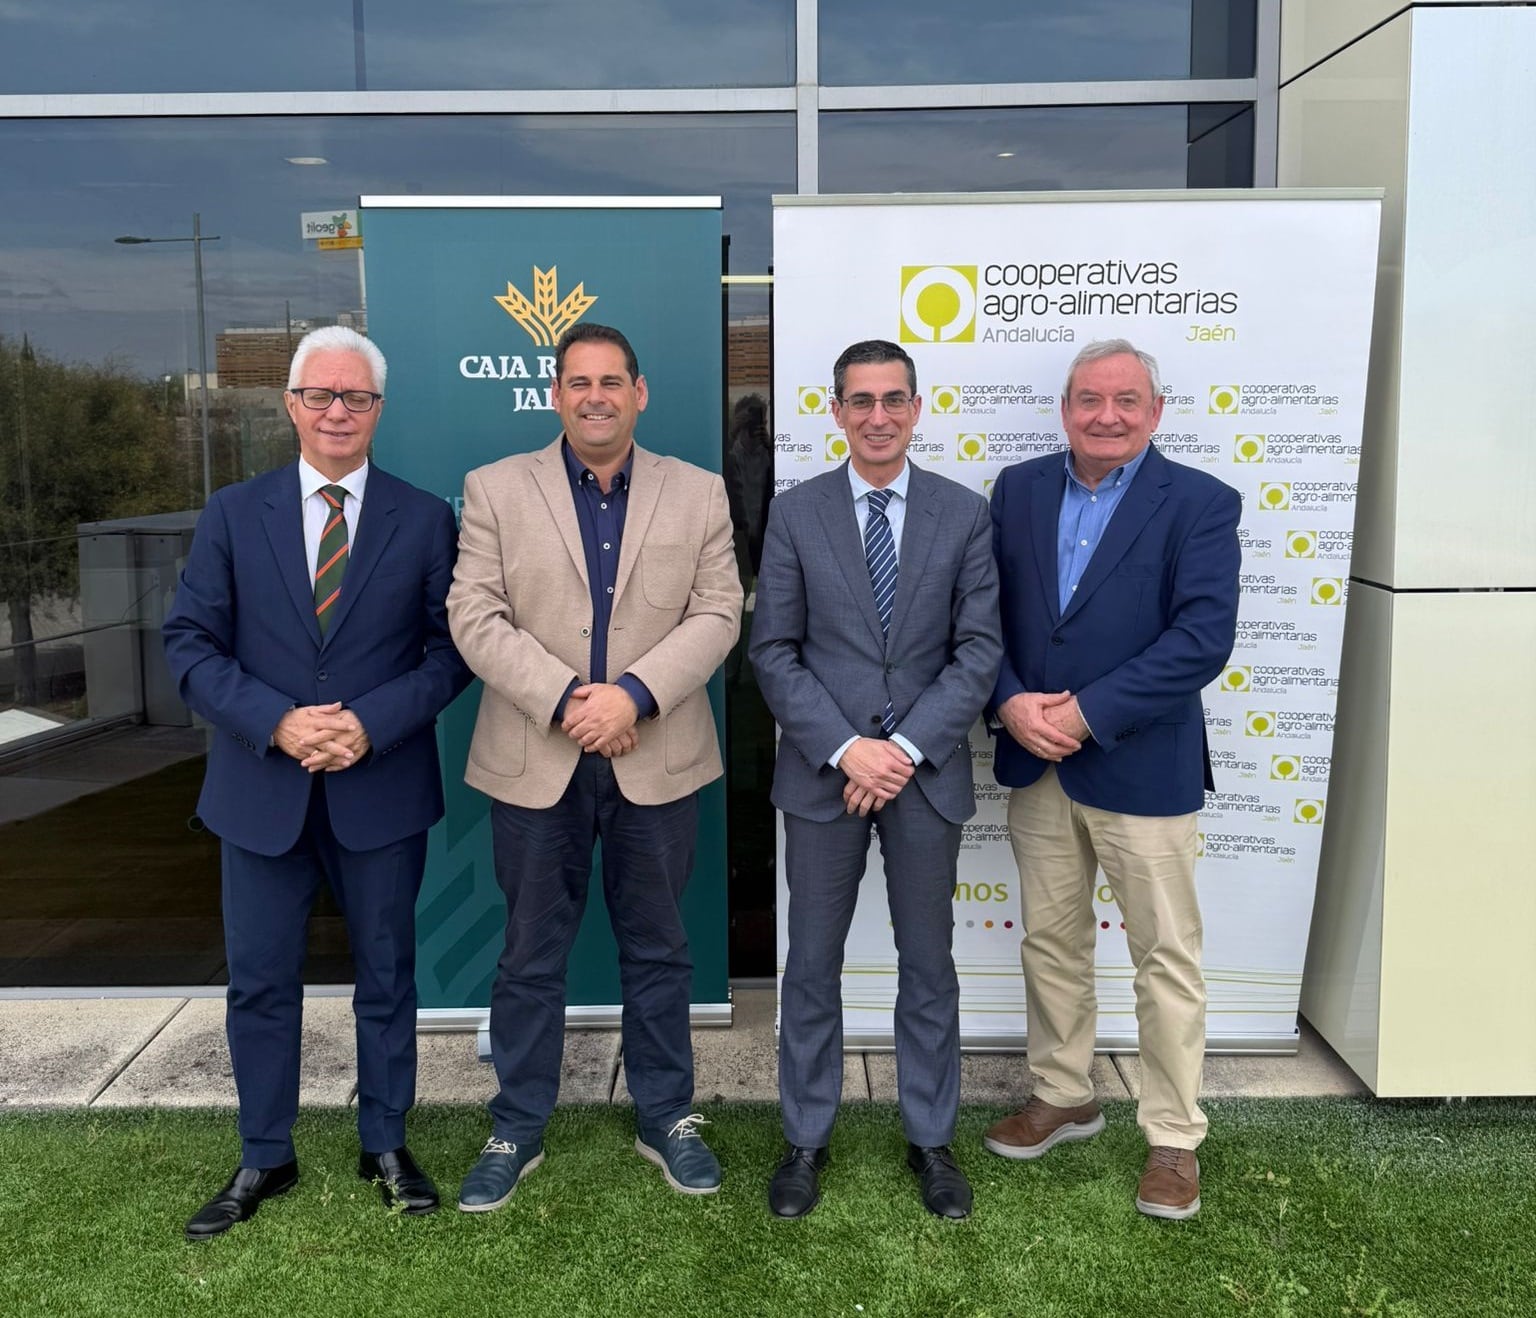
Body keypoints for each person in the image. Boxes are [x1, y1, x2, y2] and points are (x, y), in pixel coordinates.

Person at [163, 325, 471, 1240]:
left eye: (358, 398)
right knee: (260, 981)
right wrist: (278, 721)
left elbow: (449, 651)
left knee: (387, 975)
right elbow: (189, 644)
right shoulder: (231, 513)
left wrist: (368, 725)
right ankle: (266, 1153)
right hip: (262, 790)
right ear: (291, 404)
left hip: (379, 786)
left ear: (379, 410)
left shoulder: (423, 519)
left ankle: (386, 1141)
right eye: (321, 396)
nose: (338, 411)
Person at [447, 322, 742, 1210]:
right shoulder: (496, 489)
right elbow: (474, 615)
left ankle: (667, 1117)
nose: (596, 396)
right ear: (555, 395)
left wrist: (635, 697)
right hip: (537, 755)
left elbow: (720, 613)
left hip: (659, 757)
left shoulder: (699, 494)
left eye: (612, 381)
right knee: (530, 955)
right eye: (578, 382)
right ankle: (515, 1125)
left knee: (659, 950)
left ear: (639, 393)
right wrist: (576, 697)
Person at [983, 338, 1241, 1221]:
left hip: (1141, 762)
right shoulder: (1017, 490)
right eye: (1090, 399)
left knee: (1164, 957)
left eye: (1127, 401)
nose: (1107, 416)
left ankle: (1173, 1137)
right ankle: (1064, 1092)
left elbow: (1200, 640)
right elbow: (988, 615)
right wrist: (1014, 702)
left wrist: (1084, 712)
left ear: (1156, 411)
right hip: (1035, 760)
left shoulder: (1201, 504)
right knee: (1051, 942)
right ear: (1065, 408)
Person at [750, 339, 1000, 1221]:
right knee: (811, 966)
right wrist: (848, 749)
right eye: (861, 401)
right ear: (837, 411)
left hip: (923, 780)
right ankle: (805, 1138)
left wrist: (901, 750)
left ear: (917, 407)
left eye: (895, 399)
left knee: (927, 965)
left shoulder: (964, 515)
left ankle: (931, 1139)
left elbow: (978, 652)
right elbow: (772, 651)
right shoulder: (797, 513)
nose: (879, 416)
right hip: (824, 779)